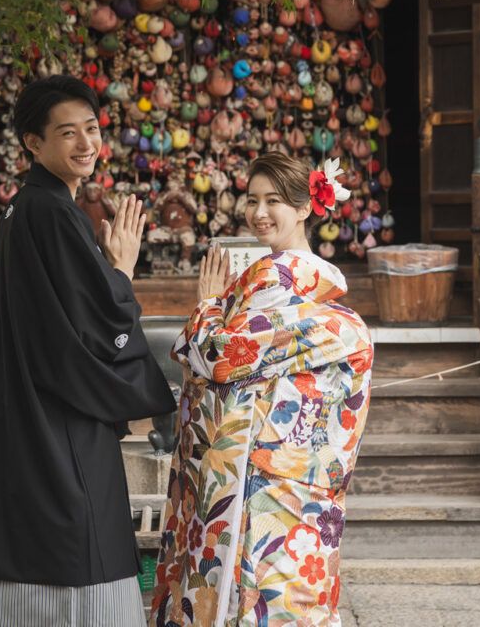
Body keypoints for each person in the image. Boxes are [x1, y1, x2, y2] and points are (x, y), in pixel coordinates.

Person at [0, 75, 176, 627]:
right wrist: (121, 270)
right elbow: (99, 329)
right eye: (67, 133)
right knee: (83, 544)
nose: (85, 145)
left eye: (92, 129)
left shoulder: (26, 210)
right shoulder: (52, 213)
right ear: (32, 143)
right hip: (60, 423)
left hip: (25, 418)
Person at [150, 153, 374, 626]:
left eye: (275, 200)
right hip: (301, 471)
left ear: (305, 208)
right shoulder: (302, 286)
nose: (259, 212)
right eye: (252, 200)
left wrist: (209, 307)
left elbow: (215, 357)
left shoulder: (280, 279)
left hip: (257, 474)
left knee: (248, 595)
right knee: (288, 595)